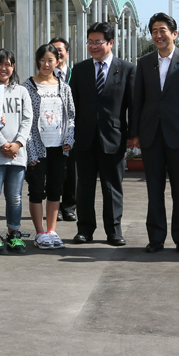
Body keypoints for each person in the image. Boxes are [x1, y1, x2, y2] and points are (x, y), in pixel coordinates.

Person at [131, 13, 179, 254]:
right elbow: (138, 100)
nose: (158, 35)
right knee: (154, 189)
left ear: (174, 33)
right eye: (154, 31)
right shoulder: (144, 62)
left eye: (163, 30)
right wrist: (135, 133)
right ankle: (156, 237)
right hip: (151, 134)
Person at [69, 22, 135, 246]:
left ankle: (114, 231)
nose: (94, 46)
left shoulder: (126, 69)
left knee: (112, 187)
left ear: (110, 43)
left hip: (114, 138)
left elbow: (132, 106)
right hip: (84, 138)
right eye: (90, 42)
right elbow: (73, 106)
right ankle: (84, 230)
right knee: (84, 187)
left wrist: (133, 135)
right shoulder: (79, 69)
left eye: (98, 42)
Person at [0, 49, 32, 254]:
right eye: (0, 64)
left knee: (15, 197)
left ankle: (14, 233)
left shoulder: (21, 91)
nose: (4, 68)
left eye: (8, 63)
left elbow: (27, 120)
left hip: (18, 154)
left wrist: (18, 144)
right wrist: (2, 143)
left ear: (13, 66)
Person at [24, 44, 75, 249]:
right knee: (36, 190)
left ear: (57, 61)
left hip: (59, 147)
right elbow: (25, 120)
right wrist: (28, 148)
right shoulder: (27, 87)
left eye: (50, 60)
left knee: (56, 189)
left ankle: (52, 231)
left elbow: (71, 116)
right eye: (43, 60)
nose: (46, 64)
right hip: (37, 146)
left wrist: (69, 139)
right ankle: (39, 233)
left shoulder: (64, 87)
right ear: (37, 61)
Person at [50, 37, 77, 222]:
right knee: (54, 171)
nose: (58, 53)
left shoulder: (77, 74)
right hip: (51, 131)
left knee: (72, 171)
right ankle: (55, 207)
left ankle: (69, 206)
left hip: (72, 130)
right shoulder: (46, 77)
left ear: (67, 53)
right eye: (54, 50)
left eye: (61, 50)